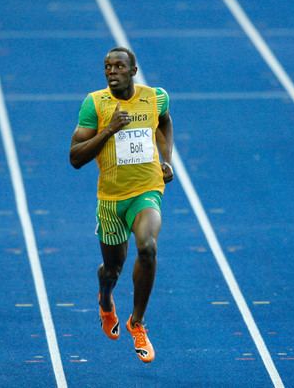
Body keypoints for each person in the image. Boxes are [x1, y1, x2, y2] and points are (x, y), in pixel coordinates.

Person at [69, 47, 174, 363]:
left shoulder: (155, 97)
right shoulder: (95, 104)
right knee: (112, 269)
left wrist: (166, 160)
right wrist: (109, 130)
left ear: (133, 70)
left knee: (147, 247)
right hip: (111, 201)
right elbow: (75, 157)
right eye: (106, 66)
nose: (111, 71)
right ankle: (105, 299)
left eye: (118, 66)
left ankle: (137, 322)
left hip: (146, 191)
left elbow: (164, 123)